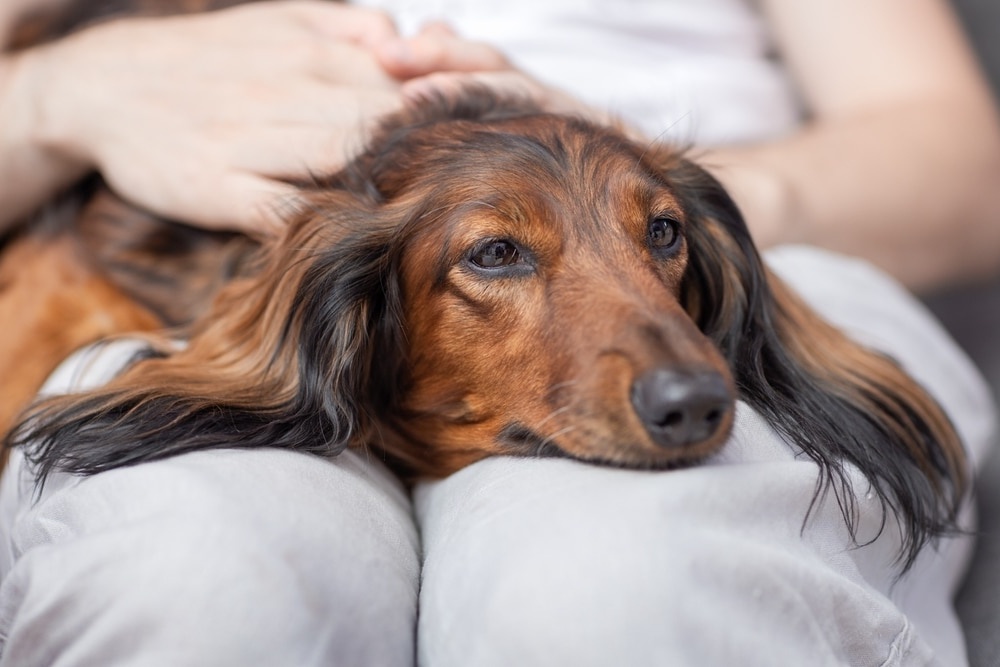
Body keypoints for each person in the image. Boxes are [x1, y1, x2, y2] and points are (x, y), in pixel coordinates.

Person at [0, 0, 996, 665]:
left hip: (752, 274)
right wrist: (56, 98)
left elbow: (968, 167)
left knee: (613, 584)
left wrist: (691, 200)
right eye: (502, 255)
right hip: (248, 307)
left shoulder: (690, 248)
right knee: (198, 574)